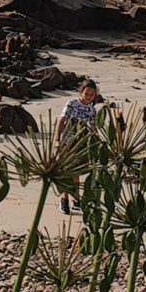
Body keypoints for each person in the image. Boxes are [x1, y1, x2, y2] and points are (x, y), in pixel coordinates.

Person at [56, 80, 101, 214]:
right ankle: (64, 200)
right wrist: (57, 140)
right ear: (81, 92)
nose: (88, 97)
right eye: (86, 93)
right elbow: (61, 120)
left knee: (77, 171)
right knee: (66, 171)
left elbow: (93, 128)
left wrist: (96, 145)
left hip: (81, 144)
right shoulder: (72, 104)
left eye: (92, 95)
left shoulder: (92, 110)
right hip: (67, 142)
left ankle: (76, 199)